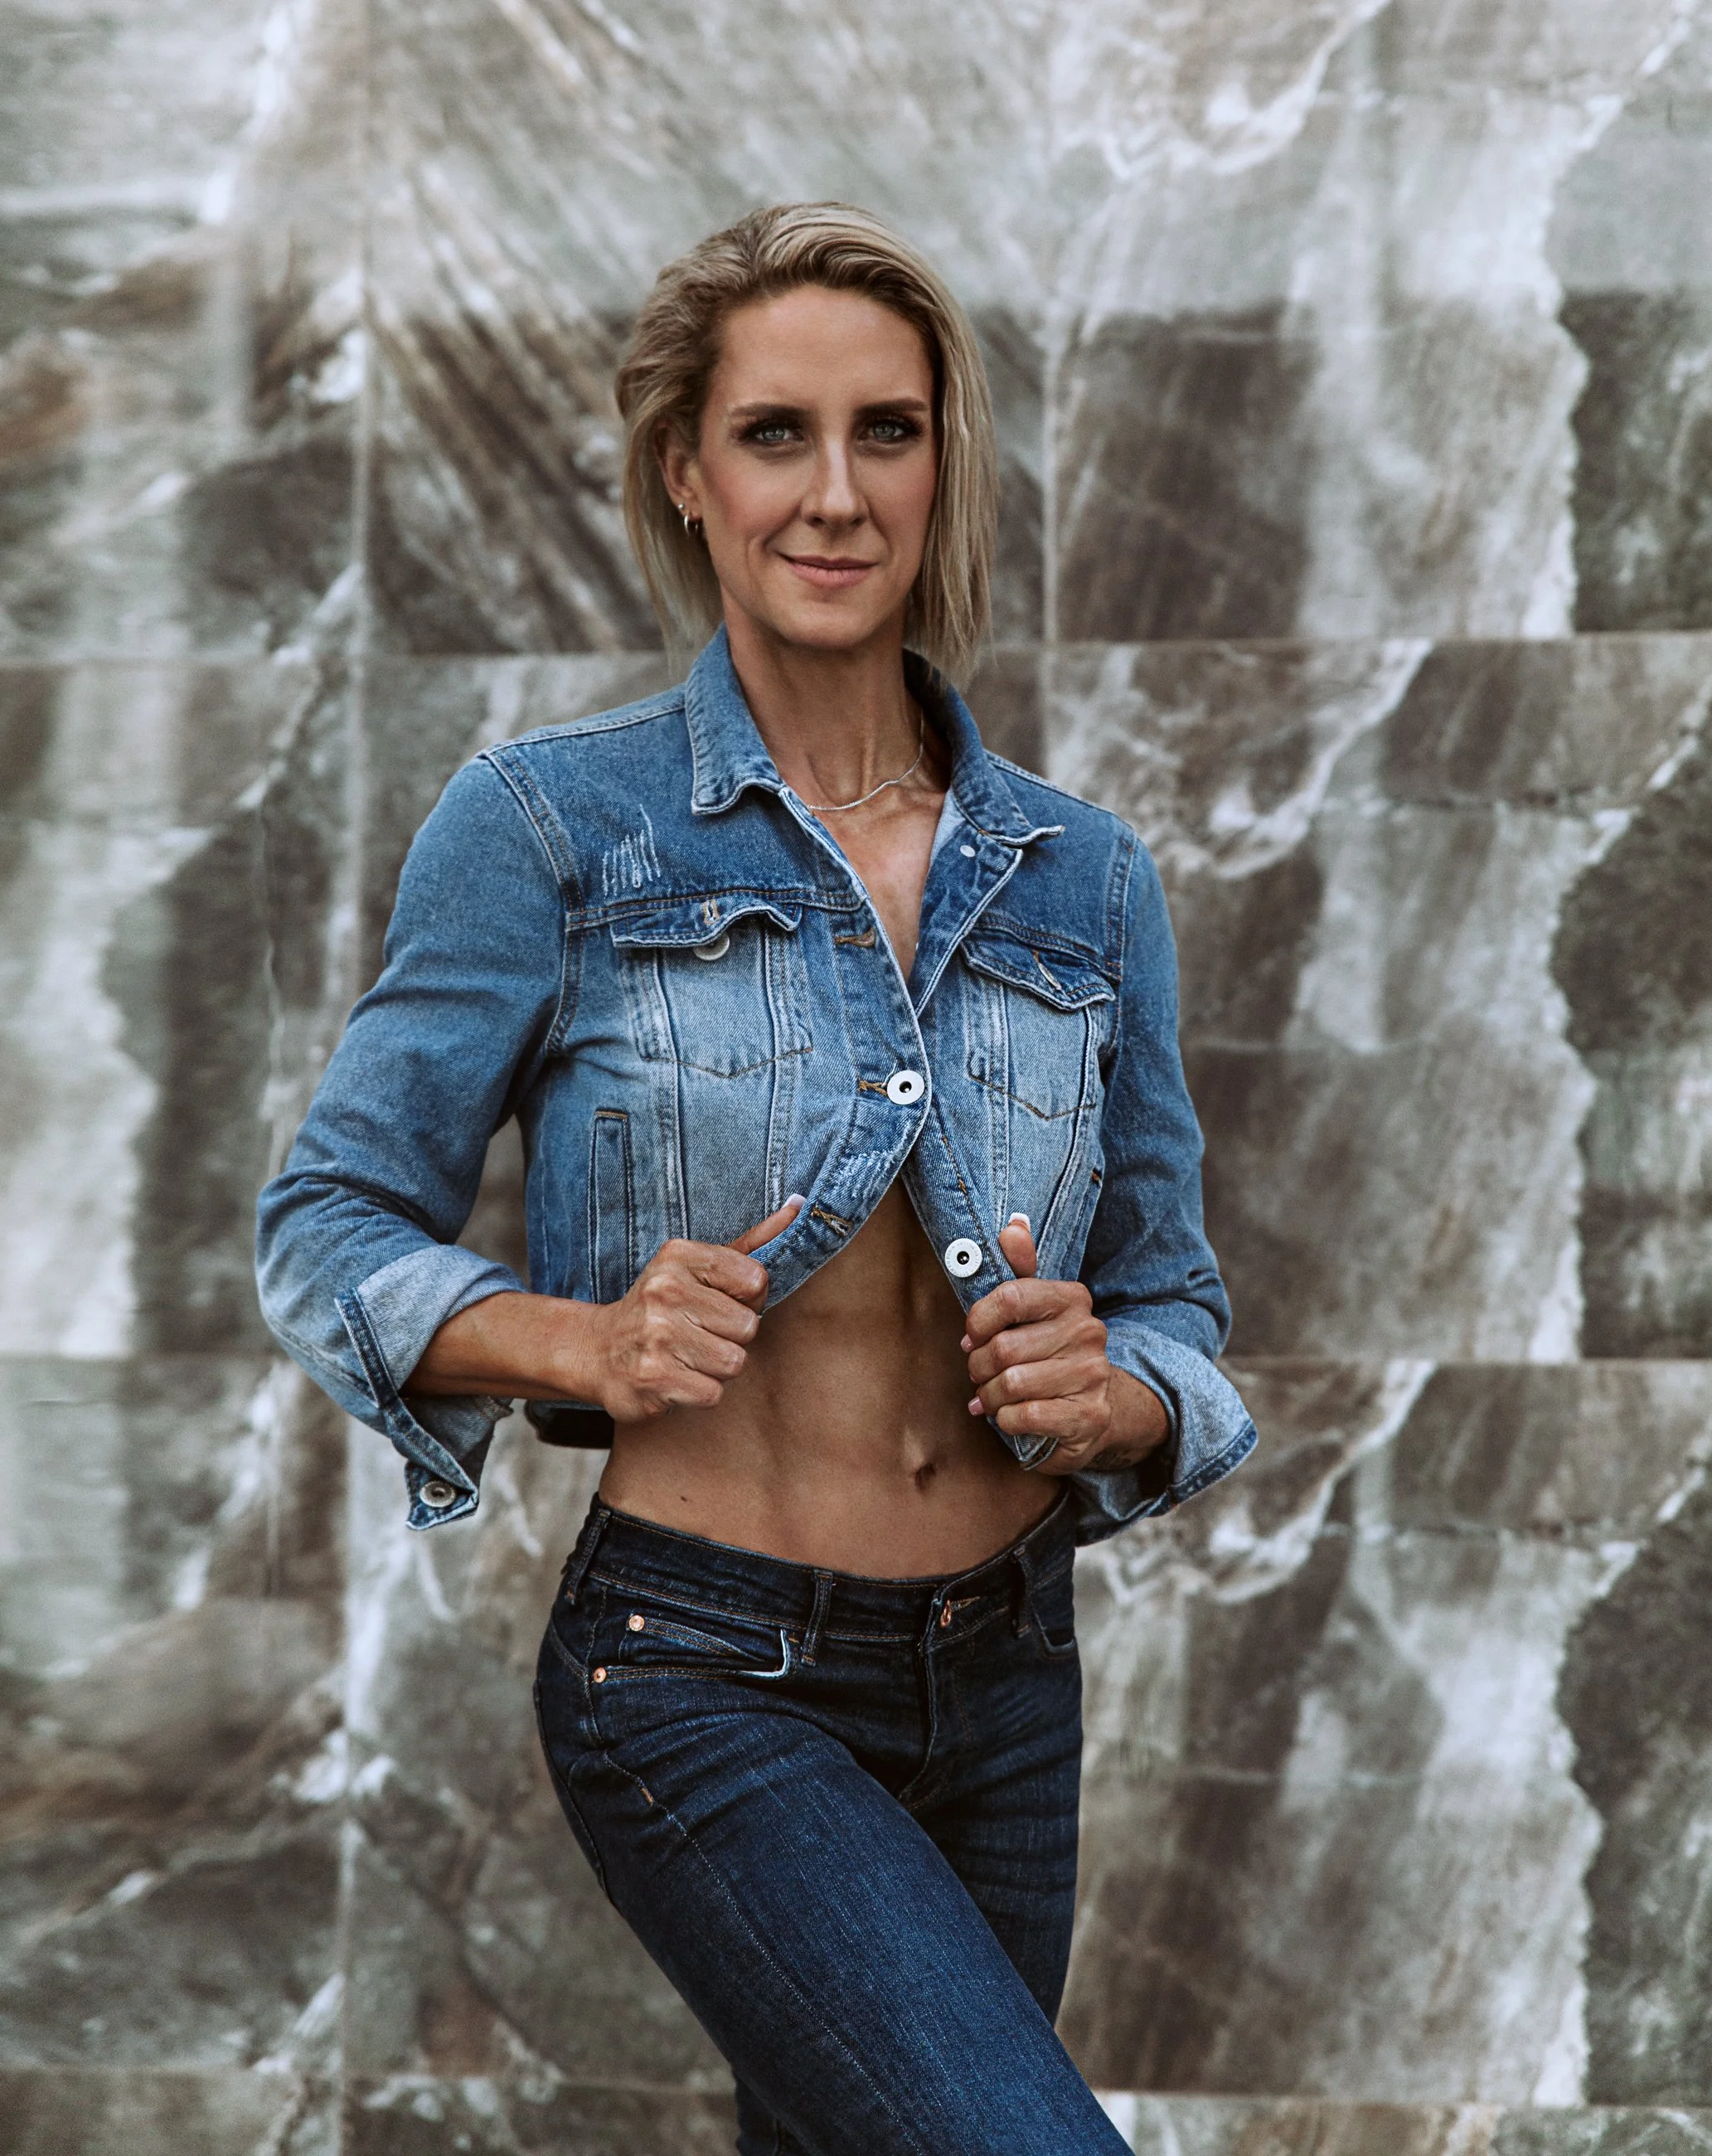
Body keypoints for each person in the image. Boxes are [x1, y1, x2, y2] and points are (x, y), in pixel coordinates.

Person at [255, 202, 1255, 2156]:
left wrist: (1119, 1388)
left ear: (942, 464)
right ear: (687, 476)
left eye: (887, 431)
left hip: (1008, 1676)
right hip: (700, 1672)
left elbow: (1176, 1302)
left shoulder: (1082, 874)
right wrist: (579, 1336)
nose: (836, 492)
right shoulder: (551, 825)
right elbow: (326, 1223)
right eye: (777, 435)